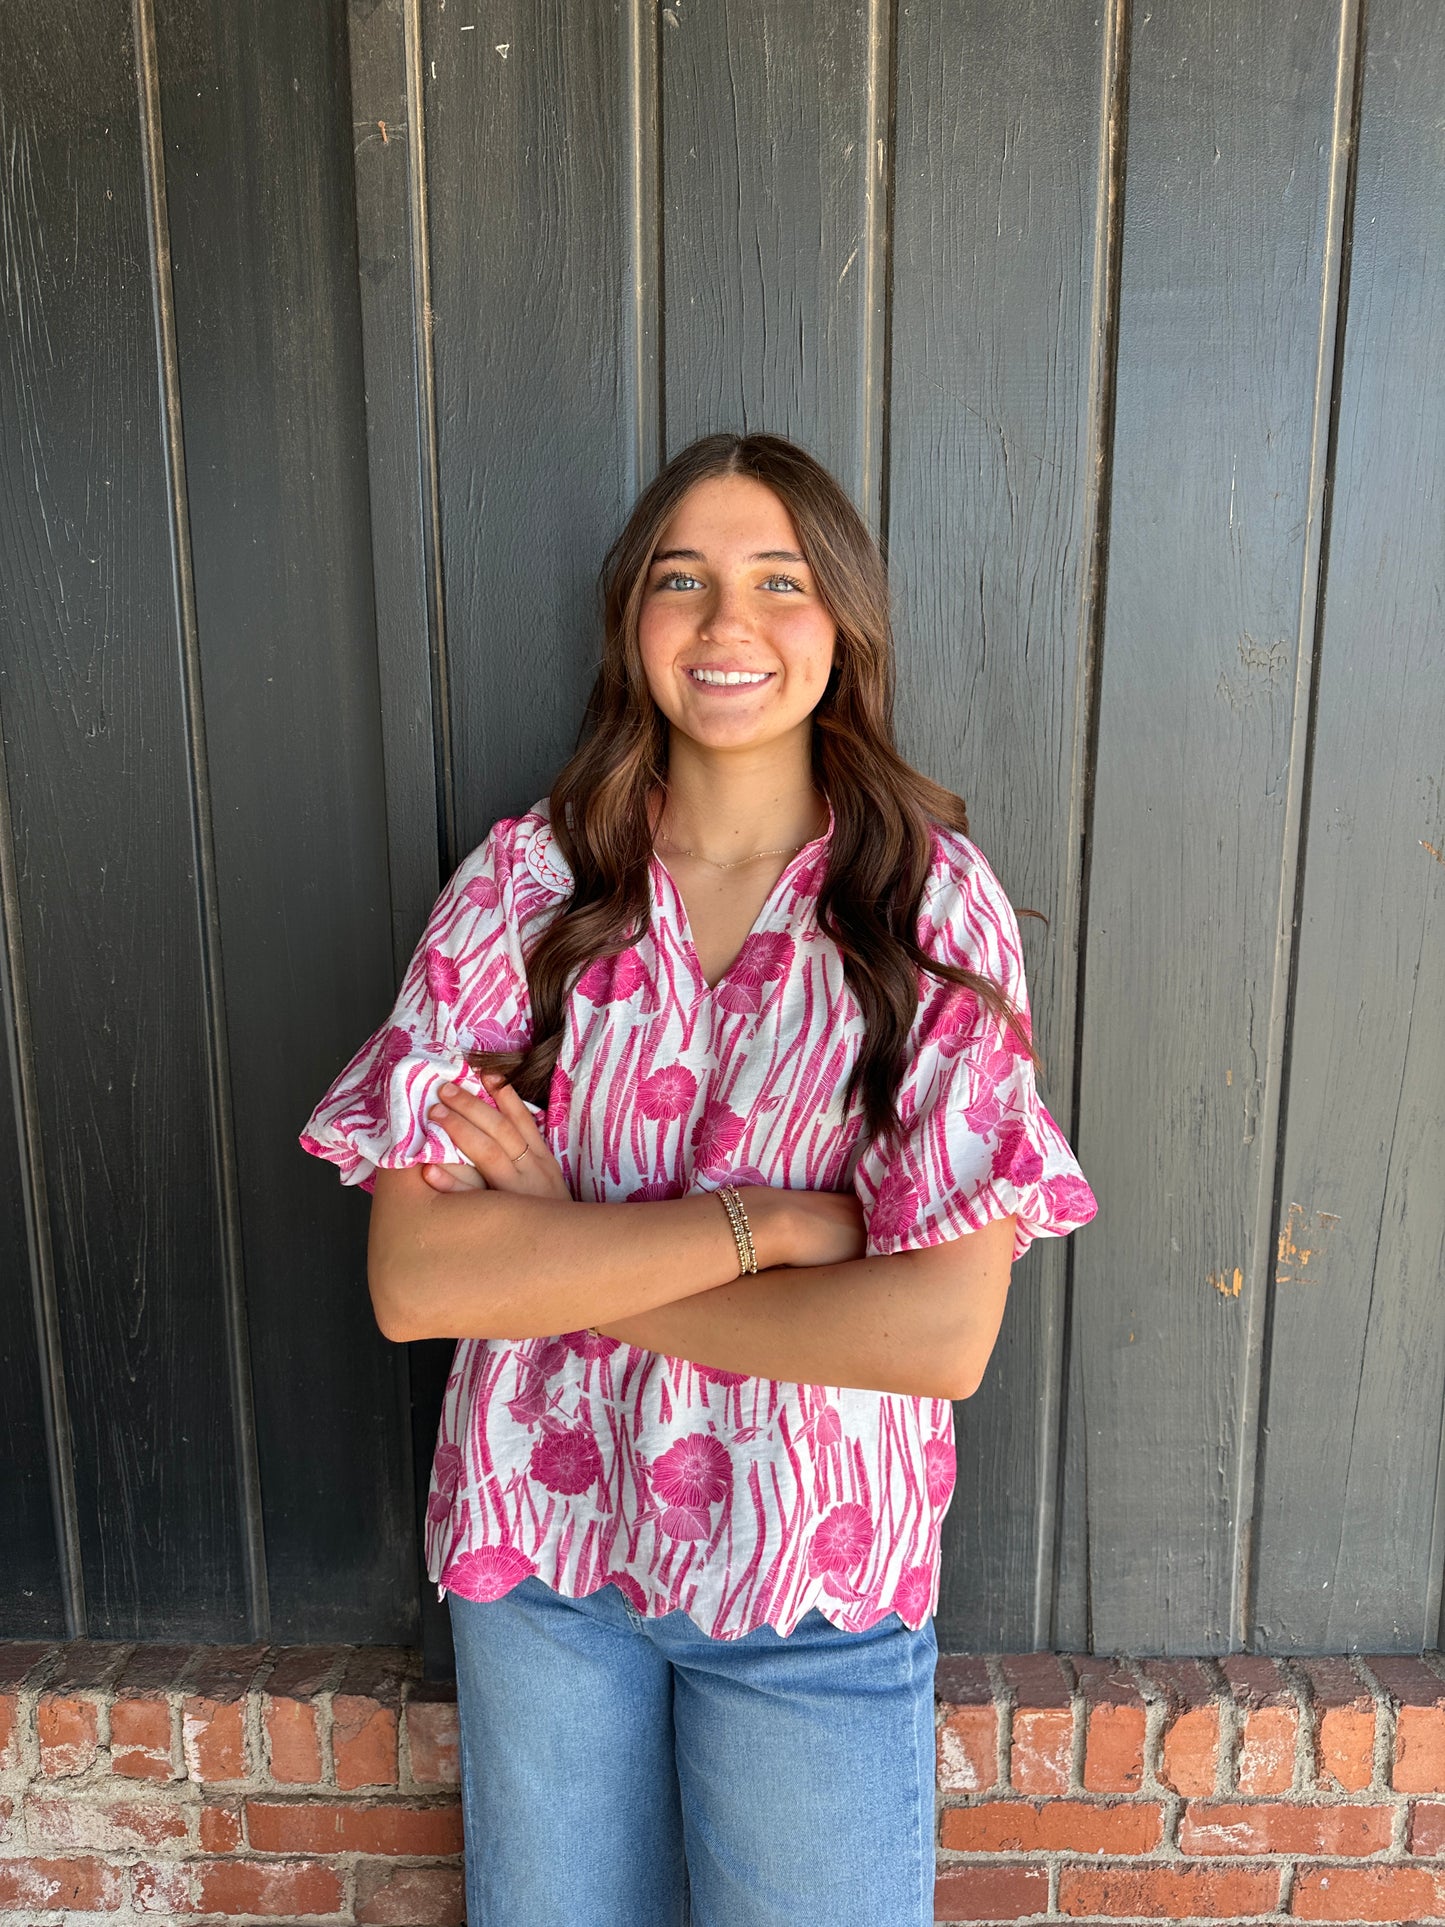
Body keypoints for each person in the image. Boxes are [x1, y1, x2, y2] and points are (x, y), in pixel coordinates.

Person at [300, 431, 1096, 1926]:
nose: (727, 624)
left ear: (843, 626)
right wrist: (774, 1231)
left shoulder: (923, 907)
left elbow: (934, 1338)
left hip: (815, 1572)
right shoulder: (529, 887)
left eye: (777, 582)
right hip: (542, 1560)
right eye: (683, 579)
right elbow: (416, 1286)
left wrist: (557, 1257)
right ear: (630, 621)